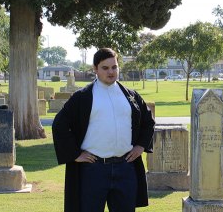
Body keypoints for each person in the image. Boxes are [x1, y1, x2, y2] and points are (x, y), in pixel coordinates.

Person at [52, 48, 155, 212]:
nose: (111, 72)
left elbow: (148, 122)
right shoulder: (83, 97)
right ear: (95, 69)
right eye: (105, 68)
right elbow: (59, 125)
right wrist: (75, 154)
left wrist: (141, 146)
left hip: (125, 168)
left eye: (114, 67)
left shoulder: (131, 96)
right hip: (93, 170)